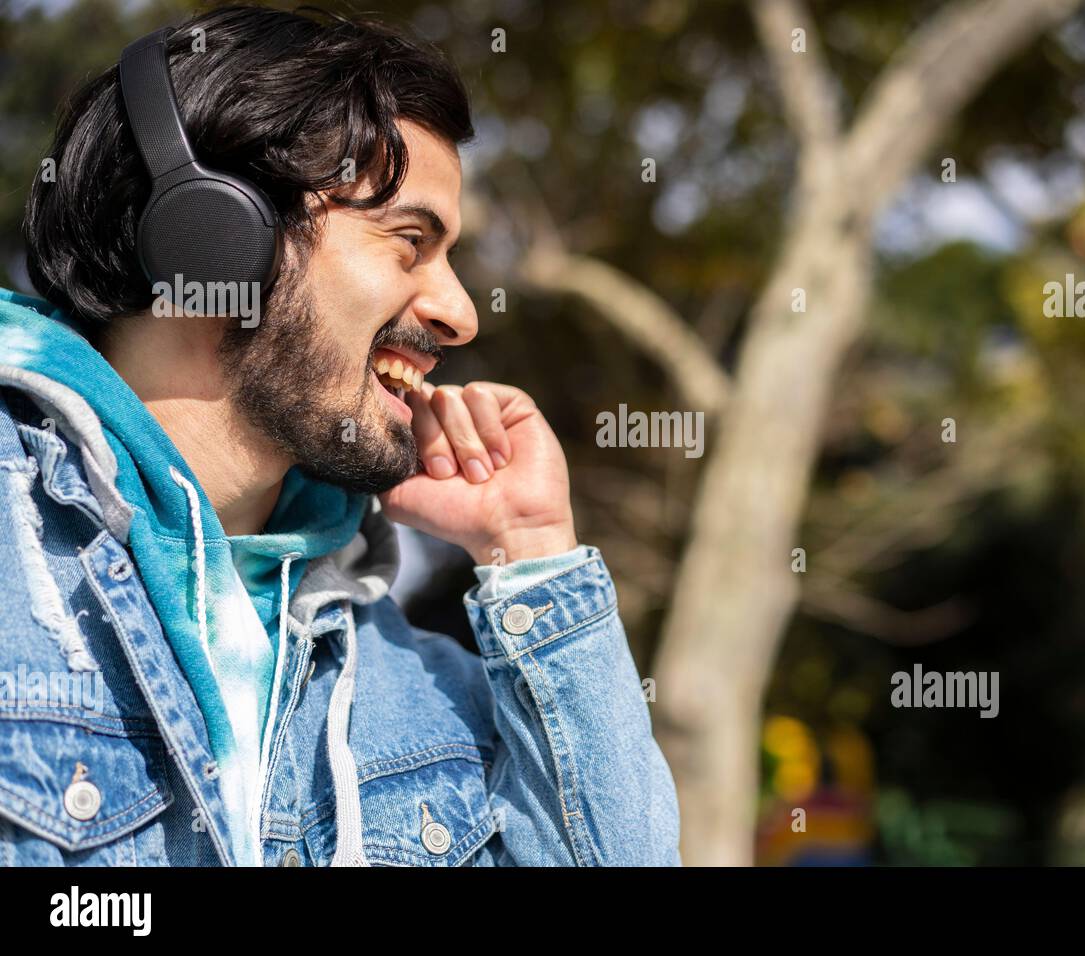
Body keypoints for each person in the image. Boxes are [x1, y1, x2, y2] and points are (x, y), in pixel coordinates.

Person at [0, 3, 681, 867]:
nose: (462, 313)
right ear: (214, 236)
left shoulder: (414, 681)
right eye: (409, 240)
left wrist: (530, 546)